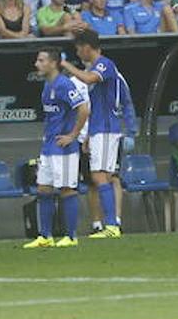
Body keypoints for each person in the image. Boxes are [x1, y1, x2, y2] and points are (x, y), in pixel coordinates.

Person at [60, 29, 127, 238]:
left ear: (87, 47)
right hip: (99, 129)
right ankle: (110, 225)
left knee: (100, 176)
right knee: (101, 176)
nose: (78, 53)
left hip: (106, 128)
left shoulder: (104, 64)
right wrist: (89, 134)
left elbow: (89, 79)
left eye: (79, 48)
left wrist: (66, 65)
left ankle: (111, 225)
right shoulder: (96, 66)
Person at [22, 46, 89, 249]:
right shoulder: (47, 84)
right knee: (43, 189)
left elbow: (83, 108)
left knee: (67, 189)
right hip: (49, 146)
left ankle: (71, 236)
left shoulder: (64, 84)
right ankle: (45, 236)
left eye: (41, 60)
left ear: (53, 63)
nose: (37, 64)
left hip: (64, 147)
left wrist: (73, 135)